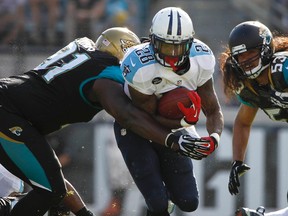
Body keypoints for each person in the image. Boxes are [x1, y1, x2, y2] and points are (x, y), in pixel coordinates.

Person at [0, 26, 211, 216]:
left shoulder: (85, 52)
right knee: (47, 192)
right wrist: (172, 140)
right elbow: (128, 116)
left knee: (52, 188)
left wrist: (83, 213)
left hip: (10, 109)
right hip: (7, 113)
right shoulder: (107, 77)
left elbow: (55, 179)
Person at [117, 7, 224, 216]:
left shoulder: (201, 60)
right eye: (166, 46)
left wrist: (214, 138)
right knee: (157, 203)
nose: (172, 54)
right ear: (152, 41)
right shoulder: (140, 66)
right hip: (135, 126)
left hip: (172, 127)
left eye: (178, 47)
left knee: (189, 201)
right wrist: (182, 127)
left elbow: (212, 110)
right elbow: (144, 119)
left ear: (190, 43)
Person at [220, 20, 288, 215]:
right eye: (240, 56)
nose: (246, 60)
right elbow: (242, 122)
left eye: (251, 52)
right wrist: (237, 161)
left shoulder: (283, 68)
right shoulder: (250, 86)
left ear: (266, 49)